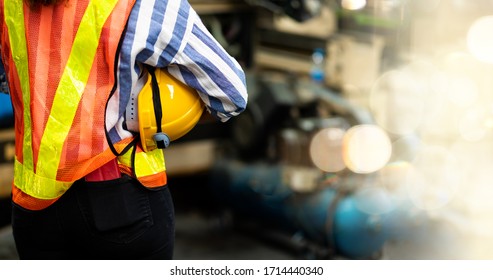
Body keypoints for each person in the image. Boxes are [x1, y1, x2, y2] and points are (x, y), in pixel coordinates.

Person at [0, 0, 248, 259]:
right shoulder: (141, 4)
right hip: (121, 206)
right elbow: (230, 93)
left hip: (35, 213)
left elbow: (6, 77)